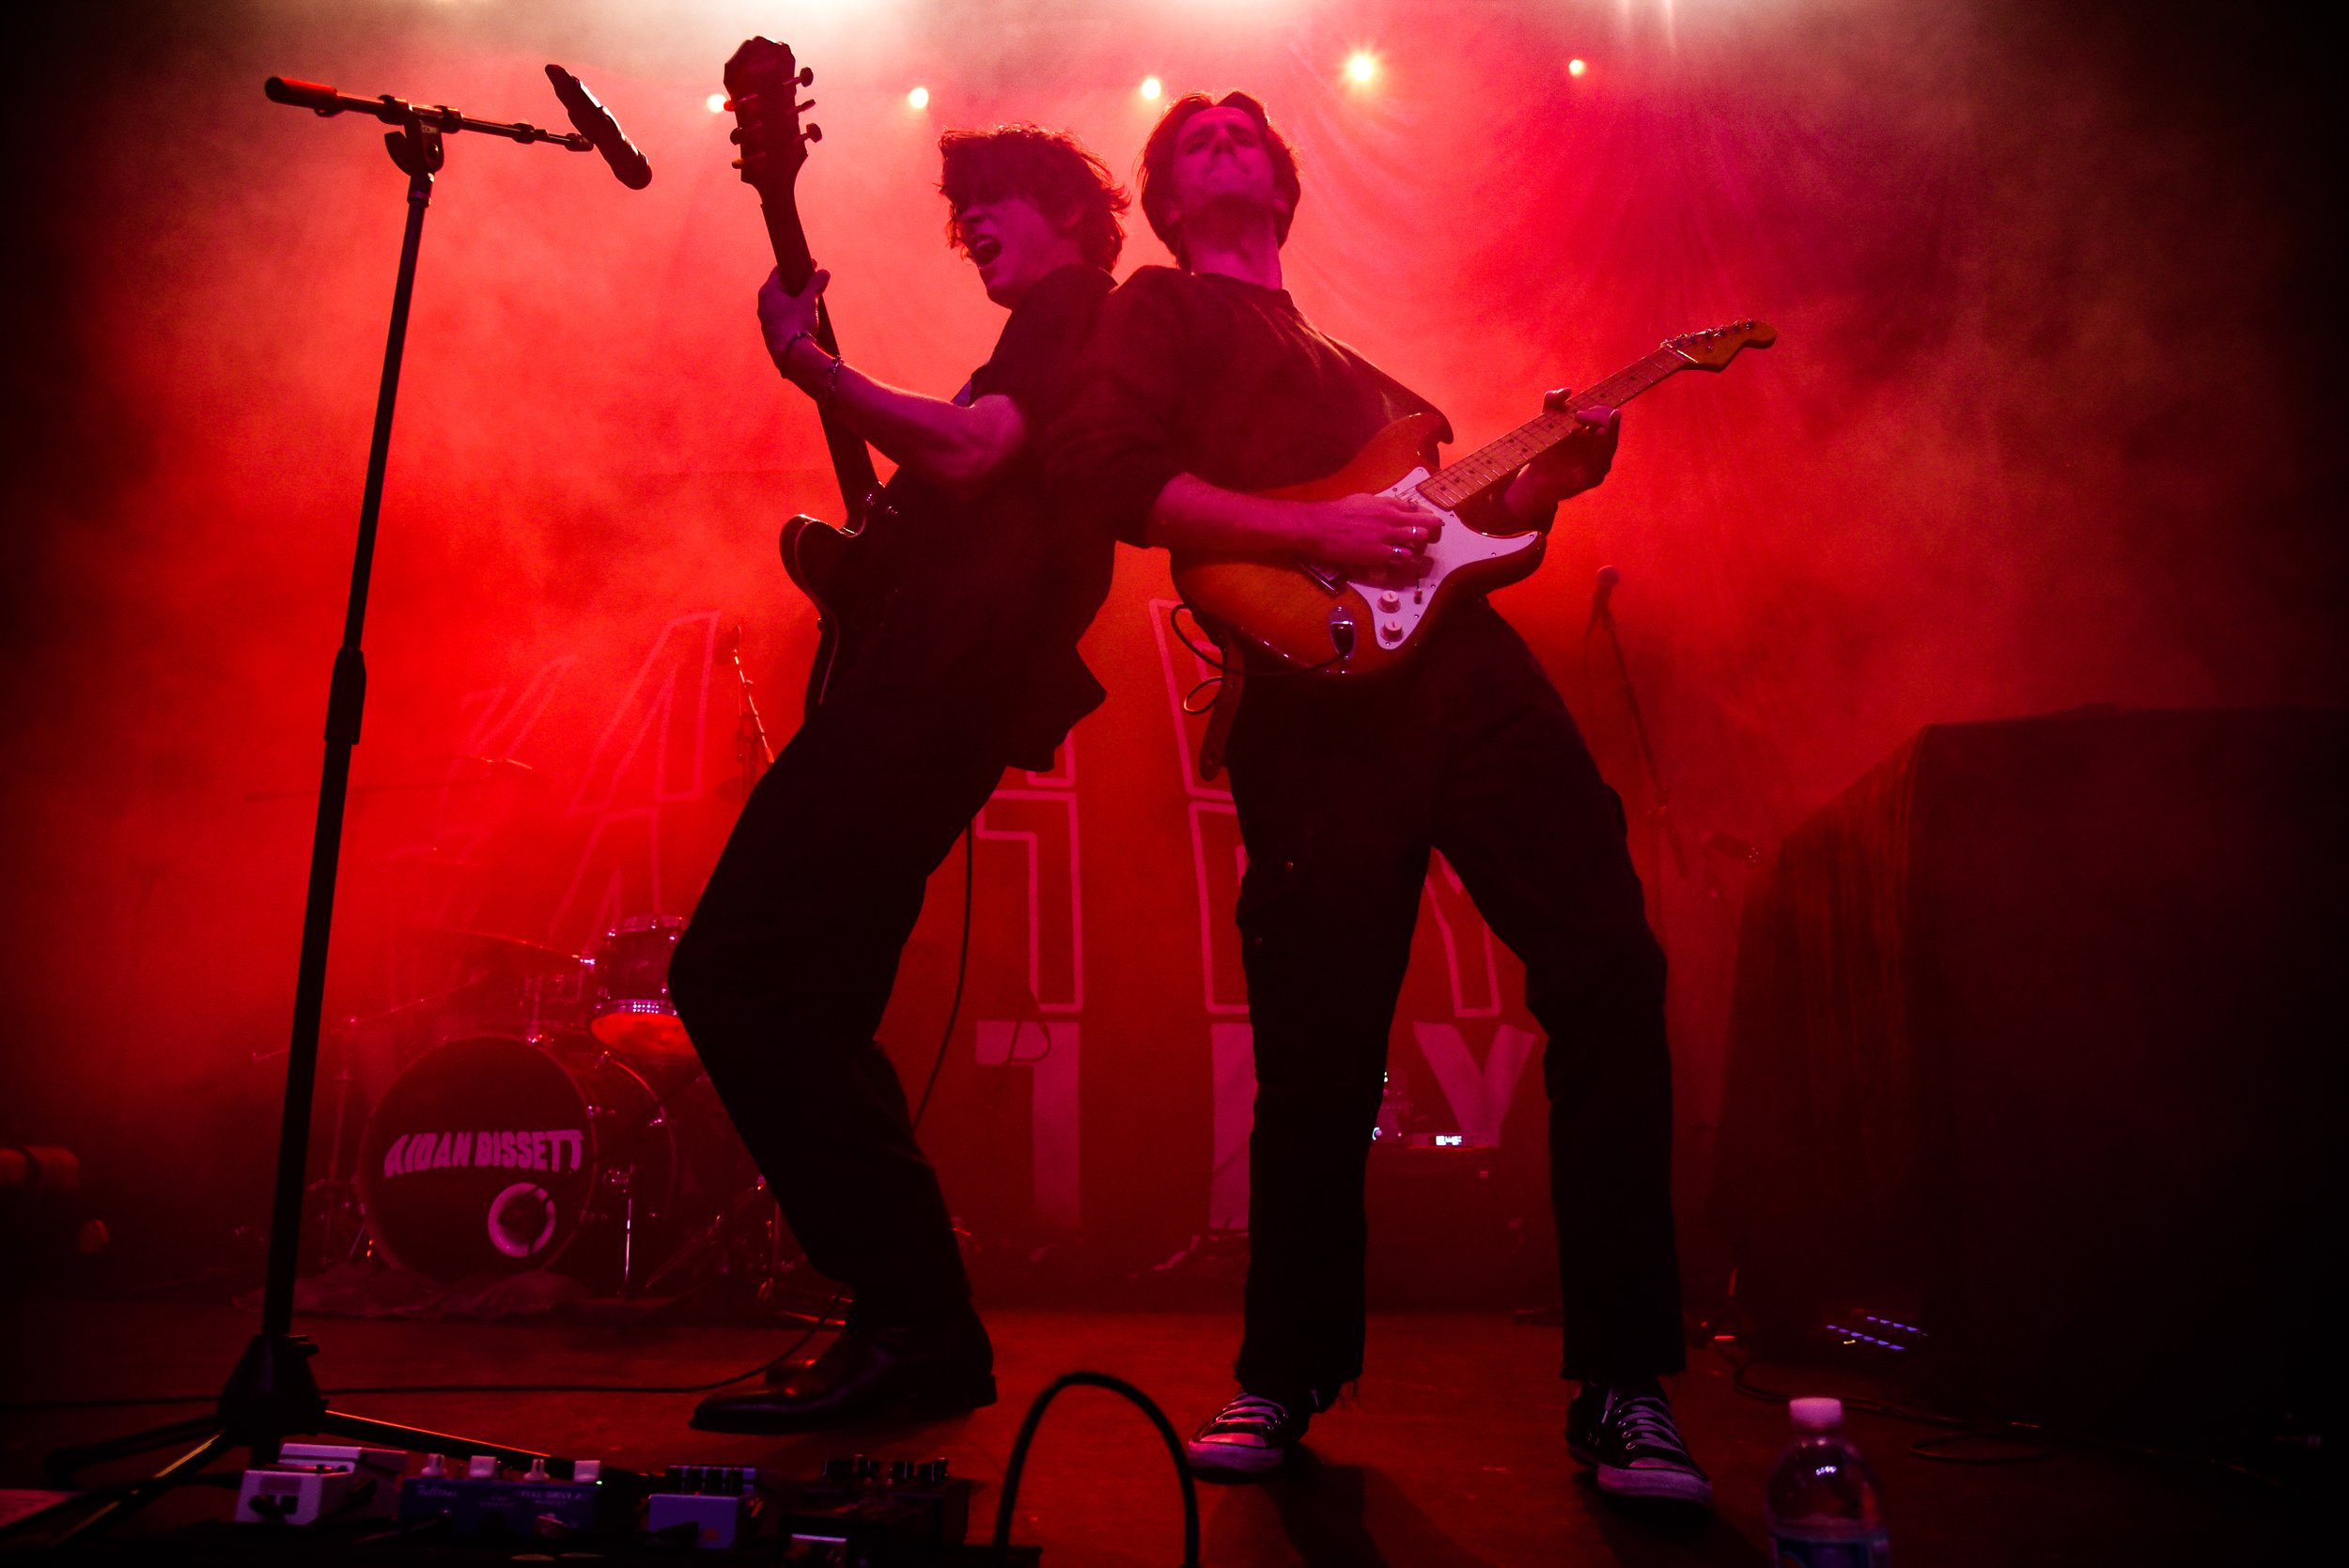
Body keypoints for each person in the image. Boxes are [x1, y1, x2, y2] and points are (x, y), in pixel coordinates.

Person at [1049, 92, 1710, 1505]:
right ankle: (1281, 1374)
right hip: (1316, 703)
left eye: (1244, 133)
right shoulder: (1161, 309)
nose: (1224, 138)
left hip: (1466, 679)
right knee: (1321, 1045)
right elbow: (1108, 476)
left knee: (1608, 964)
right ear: (1168, 200)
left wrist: (1554, 477)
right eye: (1195, 139)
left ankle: (1624, 1383)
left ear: (1283, 188)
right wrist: (1316, 528)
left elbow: (1472, 549)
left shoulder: (1383, 384)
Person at [675, 126, 1127, 1434]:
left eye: (999, 202)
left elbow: (981, 453)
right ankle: (910, 1325)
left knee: (736, 971)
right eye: (963, 208)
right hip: (928, 695)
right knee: (811, 1002)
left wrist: (813, 364)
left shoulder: (1075, 314)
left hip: (929, 703)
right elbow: (957, 505)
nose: (973, 222)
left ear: (1071, 216)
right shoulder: (1041, 331)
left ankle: (916, 1310)